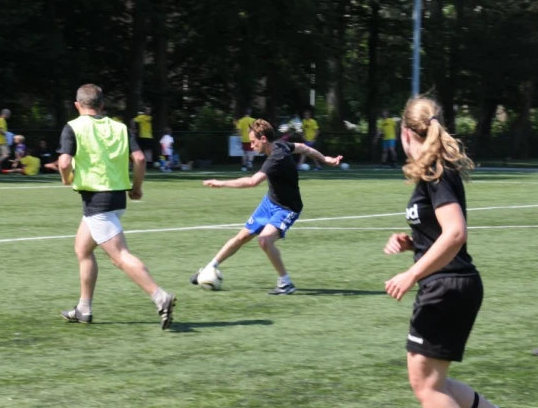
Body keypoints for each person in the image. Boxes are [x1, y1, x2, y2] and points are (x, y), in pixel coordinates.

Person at [382, 97, 531, 408]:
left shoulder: (437, 171)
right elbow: (439, 232)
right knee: (435, 382)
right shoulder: (432, 170)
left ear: (405, 133)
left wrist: (412, 272)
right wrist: (412, 243)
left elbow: (455, 233)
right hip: (450, 285)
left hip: (446, 287)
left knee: (427, 387)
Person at [57, 84, 176, 329]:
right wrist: (137, 187)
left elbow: (64, 161)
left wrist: (66, 178)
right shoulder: (120, 127)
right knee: (82, 249)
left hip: (96, 201)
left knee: (120, 256)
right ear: (102, 106)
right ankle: (84, 308)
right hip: (117, 197)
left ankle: (160, 296)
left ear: (78, 105)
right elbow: (140, 159)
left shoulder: (73, 126)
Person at [189, 119, 342, 295]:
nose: (251, 145)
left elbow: (252, 182)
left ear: (263, 139)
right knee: (241, 237)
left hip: (287, 208)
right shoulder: (280, 145)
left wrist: (221, 183)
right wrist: (325, 159)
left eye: (253, 141)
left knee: (264, 240)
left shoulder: (277, 156)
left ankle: (285, 283)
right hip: (270, 202)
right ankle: (209, 268)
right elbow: (303, 147)